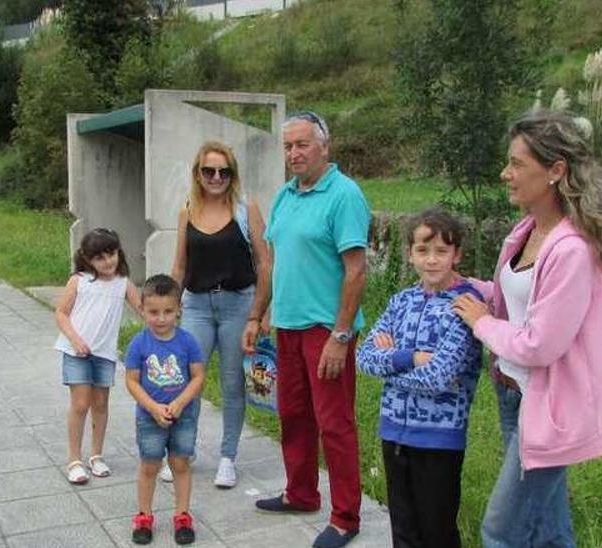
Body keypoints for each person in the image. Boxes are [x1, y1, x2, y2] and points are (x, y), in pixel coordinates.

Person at [451, 110, 602, 547]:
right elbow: (520, 298)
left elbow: (539, 344)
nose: (505, 173)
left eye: (517, 164)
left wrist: (482, 324)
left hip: (550, 406)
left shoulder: (570, 250)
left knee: (501, 529)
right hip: (516, 395)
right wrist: (463, 286)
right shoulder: (528, 230)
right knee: (549, 531)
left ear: (556, 171)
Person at [247, 111, 370, 548]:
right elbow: (274, 264)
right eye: (287, 146)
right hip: (288, 327)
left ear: (324, 146)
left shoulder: (344, 195)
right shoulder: (284, 196)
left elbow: (356, 271)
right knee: (293, 415)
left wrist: (340, 336)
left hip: (325, 330)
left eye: (302, 144)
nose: (294, 153)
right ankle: (300, 494)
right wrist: (258, 315)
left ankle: (345, 517)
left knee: (334, 423)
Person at [356, 208, 484, 547]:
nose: (431, 260)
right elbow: (364, 358)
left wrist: (390, 367)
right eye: (422, 250)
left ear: (456, 254)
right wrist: (409, 357)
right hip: (394, 430)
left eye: (442, 251)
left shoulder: (466, 305)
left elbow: (439, 376)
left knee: (437, 531)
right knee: (403, 529)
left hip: (439, 438)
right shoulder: (401, 302)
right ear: (410, 253)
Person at [168, 140, 272, 489]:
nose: (216, 177)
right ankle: (185, 450)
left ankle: (228, 457)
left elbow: (265, 262)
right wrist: (166, 309)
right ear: (197, 174)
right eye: (208, 171)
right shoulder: (187, 211)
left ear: (233, 174)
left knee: (232, 384)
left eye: (223, 171)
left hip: (237, 305)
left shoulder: (246, 209)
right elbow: (180, 266)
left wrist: (260, 312)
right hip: (196, 305)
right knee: (186, 382)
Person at [53, 227, 142, 485]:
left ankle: (96, 455)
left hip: (105, 354)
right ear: (88, 260)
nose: (108, 261)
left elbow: (143, 309)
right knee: (80, 404)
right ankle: (74, 460)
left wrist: (163, 321)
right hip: (76, 351)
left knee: (101, 405)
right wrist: (75, 339)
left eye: (112, 253)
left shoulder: (123, 283)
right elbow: (61, 313)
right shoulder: (79, 280)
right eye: (100, 257)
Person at [124, 274, 206, 545]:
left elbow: (198, 376)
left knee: (181, 463)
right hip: (150, 416)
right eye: (154, 312)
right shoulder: (139, 343)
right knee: (149, 465)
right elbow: (132, 381)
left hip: (184, 415)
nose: (161, 318)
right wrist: (153, 407)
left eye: (168, 311)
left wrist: (180, 402)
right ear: (142, 310)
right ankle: (144, 516)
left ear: (179, 309)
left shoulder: (188, 342)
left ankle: (182, 515)